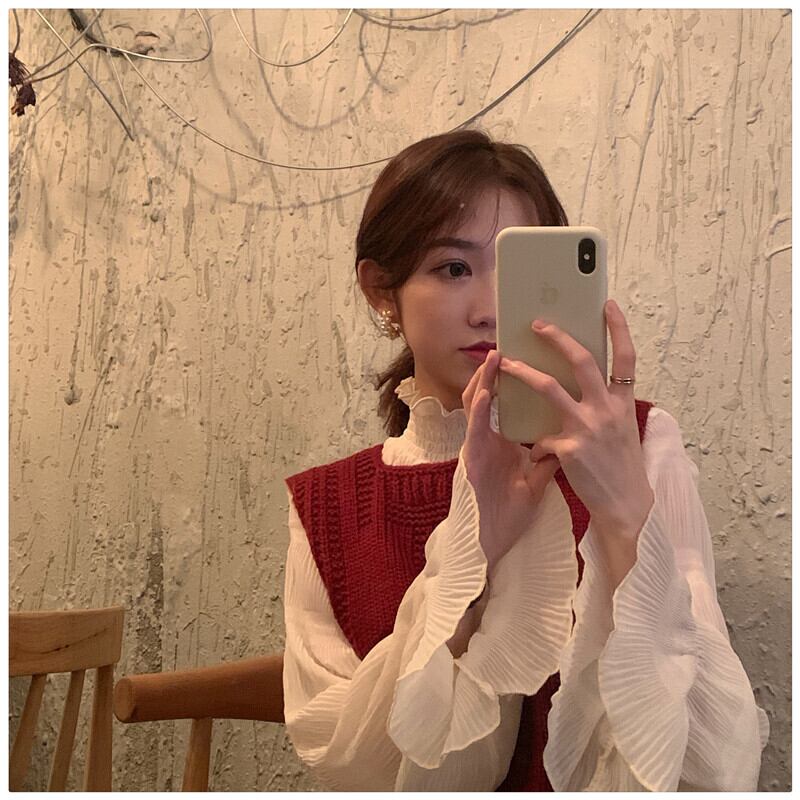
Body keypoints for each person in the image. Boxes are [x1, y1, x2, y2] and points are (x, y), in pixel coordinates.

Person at [281, 129, 769, 791]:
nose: (491, 310)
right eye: (453, 269)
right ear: (381, 291)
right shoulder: (328, 508)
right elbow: (352, 765)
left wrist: (625, 513)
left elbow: (713, 769)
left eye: (516, 272)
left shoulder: (641, 443)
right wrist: (472, 556)